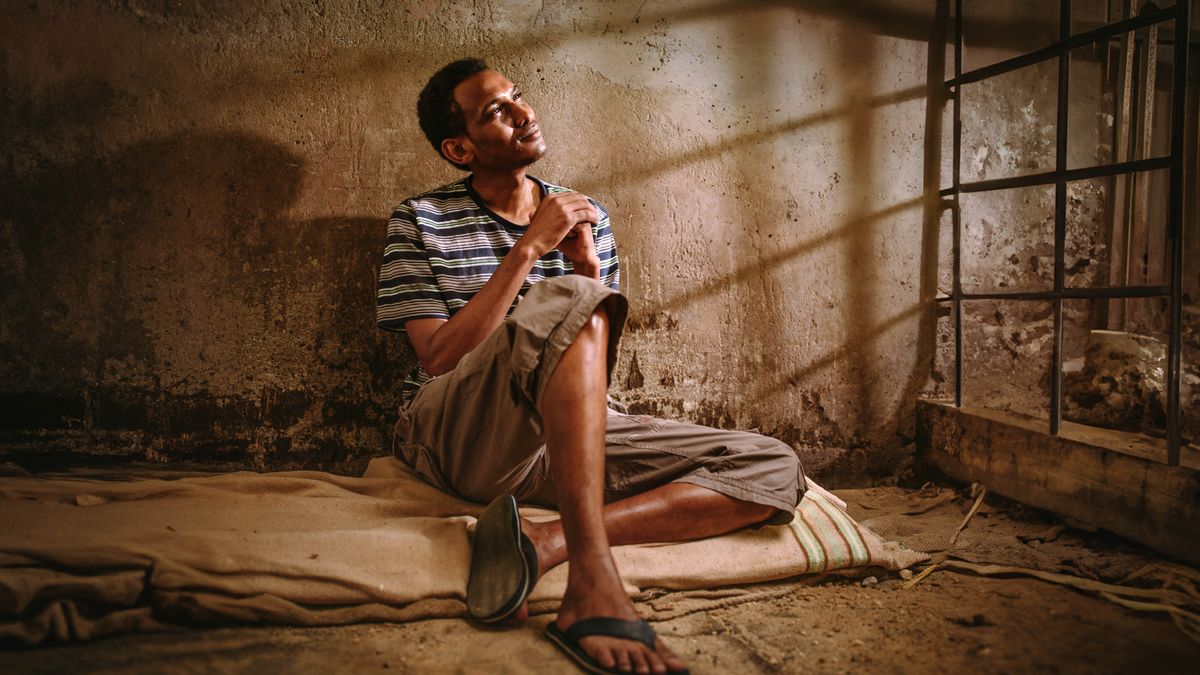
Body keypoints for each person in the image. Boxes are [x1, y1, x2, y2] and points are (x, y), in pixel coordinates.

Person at [377, 58, 806, 675]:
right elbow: (439, 357)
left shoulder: (586, 214)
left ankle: (546, 540)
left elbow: (590, 365)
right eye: (496, 112)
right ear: (460, 148)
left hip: (563, 440)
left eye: (519, 98)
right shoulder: (421, 219)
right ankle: (593, 583)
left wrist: (586, 274)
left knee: (771, 466)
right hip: (461, 434)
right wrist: (529, 250)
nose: (525, 114)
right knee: (569, 301)